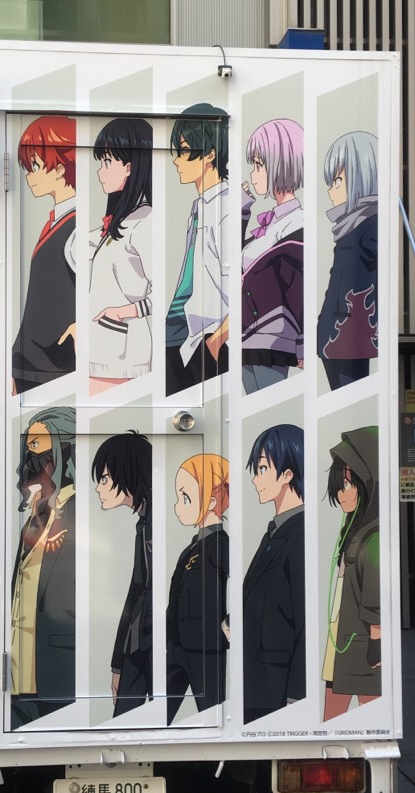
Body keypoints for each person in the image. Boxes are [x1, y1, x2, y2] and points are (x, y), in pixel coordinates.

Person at [11, 407, 76, 728]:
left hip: (56, 673)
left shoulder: (79, 514)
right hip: (20, 676)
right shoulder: (36, 516)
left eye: (38, 453)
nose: (29, 464)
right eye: (28, 451)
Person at [242, 424, 305, 723]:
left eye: (263, 468)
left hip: (276, 686)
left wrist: (297, 694)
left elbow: (306, 622)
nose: (255, 478)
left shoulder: (300, 534)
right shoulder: (275, 531)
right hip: (257, 680)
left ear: (288, 474)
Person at [165, 104, 230, 396]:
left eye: (184, 151)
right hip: (178, 333)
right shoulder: (199, 205)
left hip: (203, 338)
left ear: (210, 154)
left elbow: (243, 288)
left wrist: (217, 340)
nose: (176, 160)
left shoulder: (226, 207)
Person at [11, 116, 76, 395]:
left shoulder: (78, 228)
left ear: (60, 169)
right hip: (32, 365)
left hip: (52, 370)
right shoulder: (57, 222)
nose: (28, 175)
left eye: (35, 166)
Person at [89, 118, 152, 395]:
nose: (99, 172)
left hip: (123, 356)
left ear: (129, 167)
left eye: (107, 162)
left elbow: (162, 294)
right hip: (104, 352)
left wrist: (120, 312)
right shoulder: (122, 221)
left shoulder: (145, 222)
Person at [241, 119, 304, 394]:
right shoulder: (269, 224)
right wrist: (243, 209)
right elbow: (233, 263)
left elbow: (298, 286)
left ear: (281, 165)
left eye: (258, 165)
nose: (253, 174)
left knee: (269, 408)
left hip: (274, 337)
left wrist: (302, 342)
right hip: (248, 338)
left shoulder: (297, 223)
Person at [92, 431, 152, 715]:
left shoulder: (157, 523)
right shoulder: (144, 524)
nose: (98, 488)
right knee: (124, 720)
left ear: (127, 473)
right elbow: (135, 592)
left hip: (158, 646)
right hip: (137, 648)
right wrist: (118, 664)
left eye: (104, 479)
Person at [322, 426, 380, 721]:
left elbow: (375, 594)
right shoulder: (354, 528)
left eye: (347, 484)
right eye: (338, 486)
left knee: (371, 713)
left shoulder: (373, 536)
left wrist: (377, 642)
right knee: (332, 712)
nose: (340, 494)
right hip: (342, 636)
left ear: (367, 482)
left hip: (361, 641)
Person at [166, 453, 229, 725]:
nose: (177, 506)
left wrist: (230, 623)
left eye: (185, 498)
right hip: (177, 647)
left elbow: (244, 589)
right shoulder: (191, 547)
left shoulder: (222, 545)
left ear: (212, 502)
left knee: (213, 715)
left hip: (206, 649)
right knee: (159, 714)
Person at [317, 132, 378, 390]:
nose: (330, 189)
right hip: (336, 338)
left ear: (362, 177)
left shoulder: (370, 224)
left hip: (350, 339)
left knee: (351, 403)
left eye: (338, 180)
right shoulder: (351, 225)